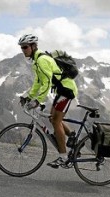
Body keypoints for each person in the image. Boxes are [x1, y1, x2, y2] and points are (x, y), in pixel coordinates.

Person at [18, 34, 78, 168]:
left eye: (25, 47)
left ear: (33, 46)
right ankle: (73, 137)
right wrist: (29, 96)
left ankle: (63, 157)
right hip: (61, 91)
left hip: (66, 91)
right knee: (53, 119)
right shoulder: (36, 61)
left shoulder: (42, 60)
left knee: (56, 121)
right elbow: (38, 83)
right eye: (22, 48)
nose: (23, 50)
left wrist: (38, 101)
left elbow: (47, 82)